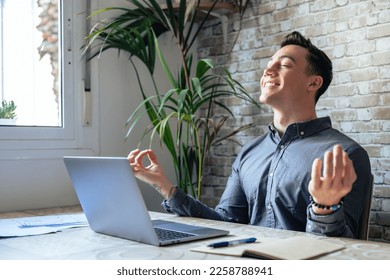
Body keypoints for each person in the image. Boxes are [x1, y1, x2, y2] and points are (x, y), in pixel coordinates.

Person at [128, 31, 371, 238]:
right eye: (268, 65)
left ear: (313, 83)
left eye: (284, 65)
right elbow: (226, 221)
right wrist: (165, 187)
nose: (268, 70)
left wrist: (324, 207)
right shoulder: (250, 152)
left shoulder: (344, 155)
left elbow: (344, 252)